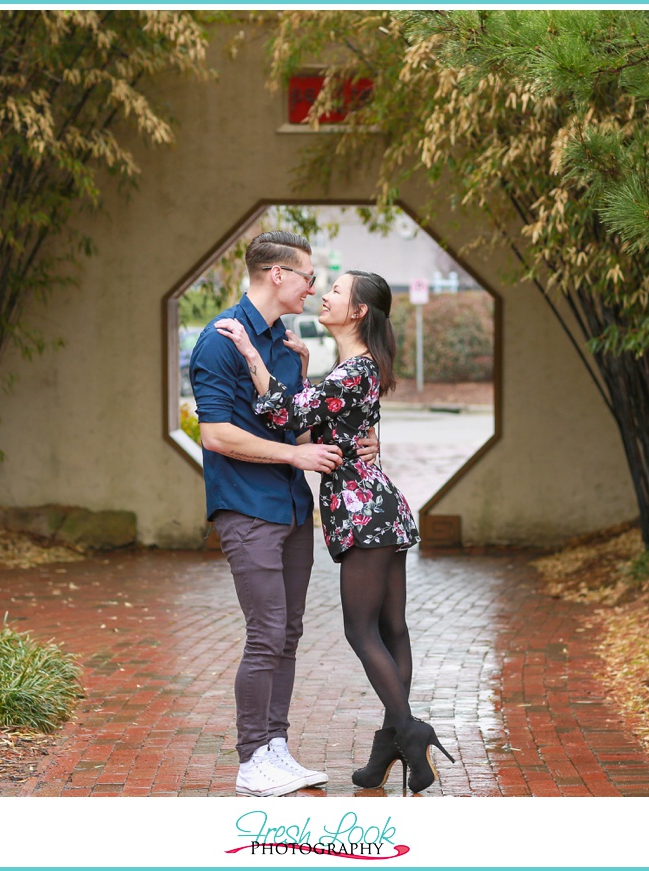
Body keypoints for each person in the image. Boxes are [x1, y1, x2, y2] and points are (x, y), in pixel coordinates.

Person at [214, 269, 455, 794]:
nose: (324, 295)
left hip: (365, 513)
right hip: (381, 507)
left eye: (337, 291)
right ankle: (391, 741)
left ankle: (409, 732)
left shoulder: (352, 371)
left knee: (361, 631)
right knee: (393, 630)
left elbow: (287, 414)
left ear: (359, 311)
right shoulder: (355, 368)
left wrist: (253, 358)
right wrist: (304, 370)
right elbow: (327, 425)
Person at [189, 231, 378, 797]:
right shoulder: (219, 340)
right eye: (309, 277)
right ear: (277, 275)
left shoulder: (286, 344)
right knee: (266, 632)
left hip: (294, 507)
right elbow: (217, 434)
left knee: (288, 633)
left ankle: (275, 748)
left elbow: (290, 422)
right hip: (246, 507)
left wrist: (354, 443)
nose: (313, 288)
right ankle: (252, 761)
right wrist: (296, 453)